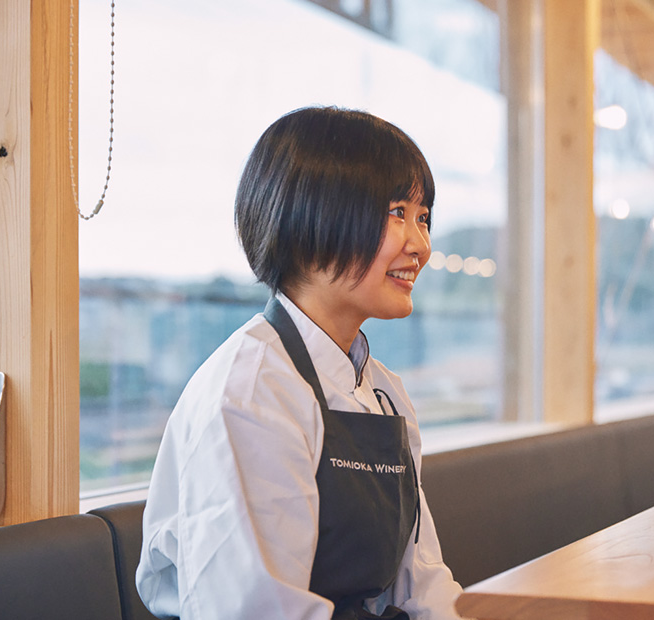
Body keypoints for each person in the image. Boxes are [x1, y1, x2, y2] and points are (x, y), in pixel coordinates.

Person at [136, 106, 463, 619]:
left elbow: (419, 583)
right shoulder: (250, 394)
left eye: (422, 218)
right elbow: (258, 612)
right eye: (397, 212)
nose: (420, 245)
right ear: (313, 217)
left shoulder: (384, 392)